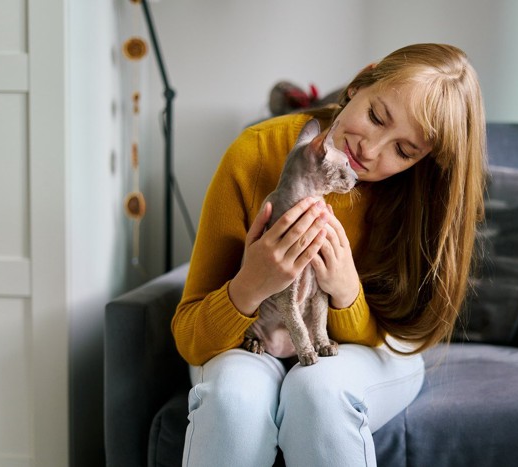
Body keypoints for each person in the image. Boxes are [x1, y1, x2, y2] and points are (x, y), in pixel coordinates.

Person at [172, 43, 487, 467]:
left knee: (319, 392)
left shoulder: (418, 197)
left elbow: (402, 335)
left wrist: (344, 290)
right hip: (257, 337)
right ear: (359, 84)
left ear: (423, 161)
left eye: (404, 151)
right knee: (233, 399)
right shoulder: (256, 153)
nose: (371, 151)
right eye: (376, 116)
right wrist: (250, 285)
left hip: (371, 348)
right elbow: (191, 338)